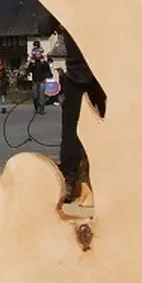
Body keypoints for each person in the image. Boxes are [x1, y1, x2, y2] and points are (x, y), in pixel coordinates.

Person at [43, 15, 106, 203]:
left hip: (95, 76)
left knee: (72, 131)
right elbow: (44, 28)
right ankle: (70, 179)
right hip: (88, 76)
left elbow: (44, 27)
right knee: (72, 132)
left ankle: (72, 179)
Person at [26, 43, 52, 115]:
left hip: (42, 81)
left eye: (39, 54)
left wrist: (44, 63)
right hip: (35, 81)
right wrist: (32, 65)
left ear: (40, 55)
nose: (38, 55)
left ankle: (42, 110)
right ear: (35, 55)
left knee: (42, 96)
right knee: (35, 96)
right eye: (36, 54)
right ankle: (36, 108)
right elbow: (28, 70)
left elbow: (47, 69)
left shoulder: (43, 62)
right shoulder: (33, 62)